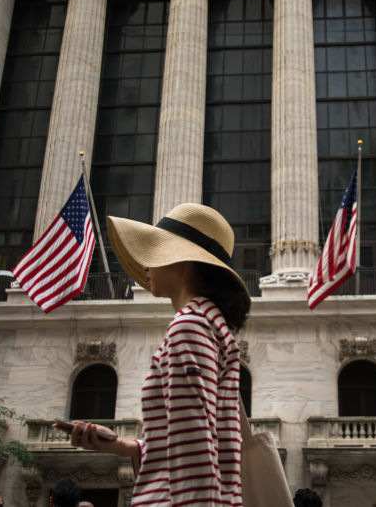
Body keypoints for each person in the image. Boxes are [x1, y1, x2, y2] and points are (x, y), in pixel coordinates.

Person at [66, 203, 251, 506]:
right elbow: (196, 434)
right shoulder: (208, 325)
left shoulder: (190, 326)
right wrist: (124, 447)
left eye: (154, 250)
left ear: (182, 261)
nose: (145, 264)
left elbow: (195, 447)